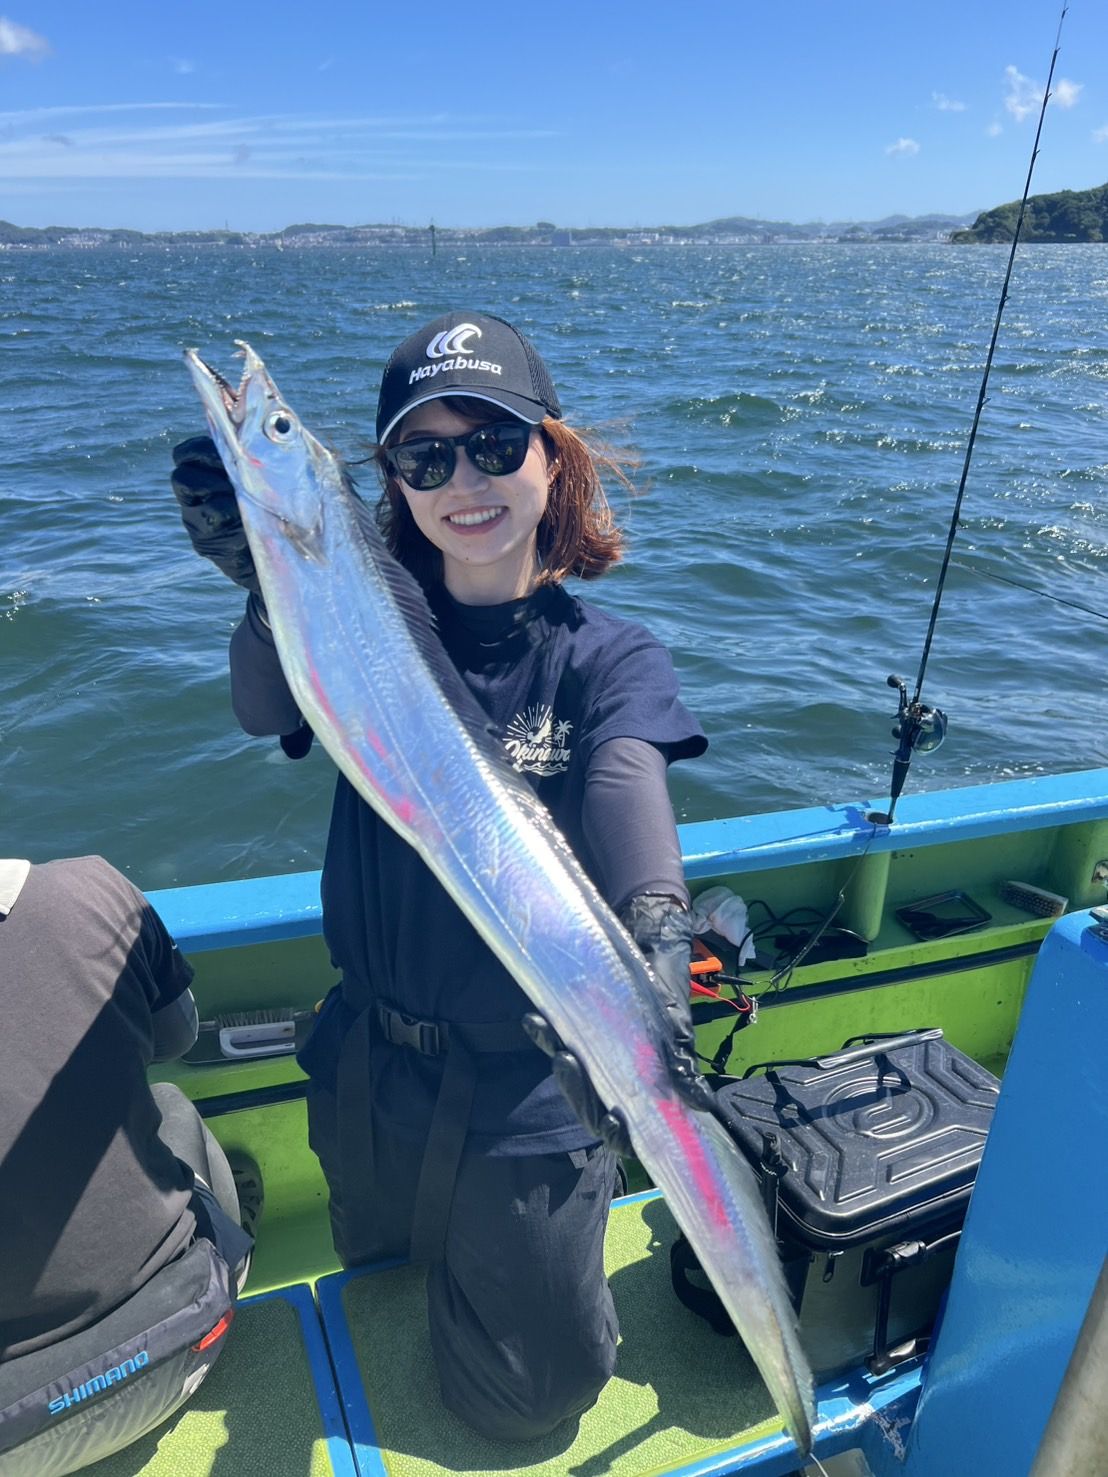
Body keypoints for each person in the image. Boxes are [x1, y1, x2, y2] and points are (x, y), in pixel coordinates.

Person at [171, 311, 707, 1442]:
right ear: (391, 483)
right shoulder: (360, 617)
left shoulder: (606, 656)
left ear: (551, 456)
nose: (463, 480)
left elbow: (626, 784)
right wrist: (264, 583)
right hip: (367, 1069)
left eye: (495, 444)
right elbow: (265, 707)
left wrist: (658, 921)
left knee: (532, 1403)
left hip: (529, 1092)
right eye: (425, 457)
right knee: (379, 1293)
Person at [0, 855, 256, 1475]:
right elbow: (177, 1037)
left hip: (15, 1432)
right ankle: (236, 1235)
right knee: (170, 1105)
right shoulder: (93, 888)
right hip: (184, 1342)